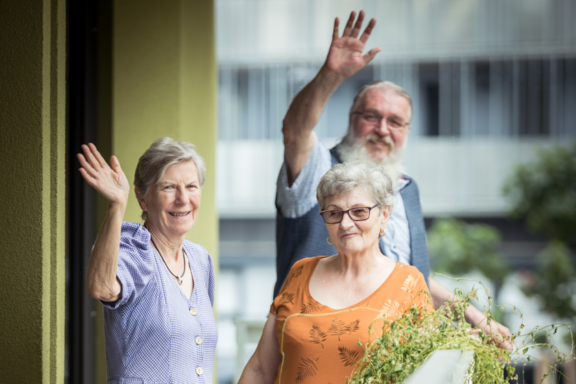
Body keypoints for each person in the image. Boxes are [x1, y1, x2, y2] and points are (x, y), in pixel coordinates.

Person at [274, 10, 512, 349]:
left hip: (392, 358)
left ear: (407, 131)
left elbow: (415, 281)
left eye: (395, 122)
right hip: (318, 351)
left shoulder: (405, 188)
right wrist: (331, 75)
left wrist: (477, 318)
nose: (382, 130)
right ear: (351, 119)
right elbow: (295, 131)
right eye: (371, 116)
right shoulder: (320, 168)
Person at [240, 162, 434, 384]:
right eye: (334, 213)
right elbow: (260, 370)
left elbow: (427, 371)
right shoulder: (300, 272)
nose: (345, 224)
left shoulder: (409, 283)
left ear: (384, 215)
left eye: (359, 211)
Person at [78, 138, 217, 383]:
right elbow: (101, 287)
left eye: (192, 186)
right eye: (168, 187)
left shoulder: (200, 259)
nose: (183, 198)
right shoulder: (133, 250)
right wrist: (116, 205)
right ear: (143, 199)